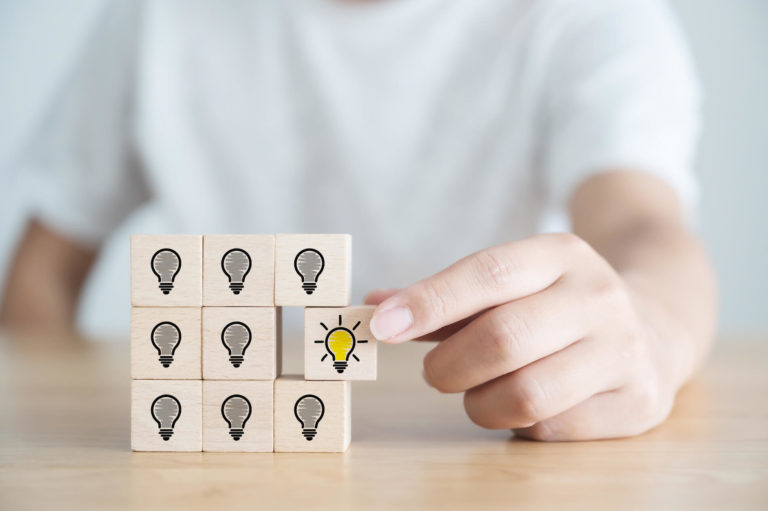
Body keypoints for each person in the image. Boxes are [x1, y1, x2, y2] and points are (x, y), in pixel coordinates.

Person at [0, 0, 716, 441]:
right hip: (219, 435)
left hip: (468, 424)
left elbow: (641, 226)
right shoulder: (157, 13)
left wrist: (650, 325)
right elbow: (45, 266)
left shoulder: (590, 16)